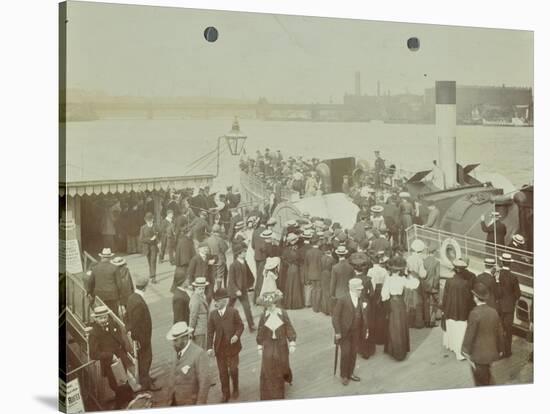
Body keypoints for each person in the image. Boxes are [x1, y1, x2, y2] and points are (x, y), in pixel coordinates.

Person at [88, 306, 134, 409]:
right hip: (109, 363)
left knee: (123, 379)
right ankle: (123, 401)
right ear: (95, 319)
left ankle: (127, 399)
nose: (103, 320)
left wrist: (124, 351)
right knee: (114, 384)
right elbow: (93, 354)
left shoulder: (113, 324)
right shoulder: (94, 333)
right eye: (100, 318)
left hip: (120, 358)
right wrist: (110, 355)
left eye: (105, 317)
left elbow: (120, 339)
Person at [256, 290, 297, 400]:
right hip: (268, 344)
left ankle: (279, 393)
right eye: (268, 306)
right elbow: (260, 331)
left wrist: (292, 341)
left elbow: (289, 327)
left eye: (272, 304)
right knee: (267, 366)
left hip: (281, 344)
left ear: (276, 303)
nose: (270, 307)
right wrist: (259, 345)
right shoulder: (264, 316)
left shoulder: (282, 313)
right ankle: (267, 393)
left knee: (281, 366)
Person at [461, 282, 505, 386]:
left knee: (480, 381)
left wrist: (465, 350)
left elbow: (470, 334)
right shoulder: (494, 311)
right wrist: (501, 349)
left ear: (476, 297)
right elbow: (500, 332)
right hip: (491, 352)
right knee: (487, 375)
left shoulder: (474, 313)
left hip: (479, 355)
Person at [207, 288, 244, 403]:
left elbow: (240, 326)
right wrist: (209, 347)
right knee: (222, 373)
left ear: (225, 301)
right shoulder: (213, 315)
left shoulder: (233, 312)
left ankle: (236, 388)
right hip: (220, 349)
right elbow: (210, 332)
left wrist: (236, 336)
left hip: (232, 347)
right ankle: (225, 393)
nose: (215, 303)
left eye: (217, 301)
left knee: (233, 369)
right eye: (214, 301)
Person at [381, 256, 419, 361]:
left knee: (393, 326)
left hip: (392, 303)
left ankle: (393, 350)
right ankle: (401, 351)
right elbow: (414, 285)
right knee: (401, 325)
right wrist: (408, 275)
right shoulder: (403, 279)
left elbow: (384, 295)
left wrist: (386, 303)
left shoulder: (388, 279)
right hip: (401, 303)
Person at [162, 321, 210, 405]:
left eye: (176, 340)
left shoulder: (199, 354)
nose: (173, 344)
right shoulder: (178, 351)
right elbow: (173, 377)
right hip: (175, 401)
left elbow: (204, 383)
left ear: (184, 338)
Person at [126, 274, 160, 392]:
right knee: (146, 359)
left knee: (143, 359)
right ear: (145, 287)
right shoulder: (139, 302)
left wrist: (129, 330)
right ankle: (146, 384)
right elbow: (136, 323)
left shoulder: (132, 297)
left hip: (140, 337)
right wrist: (137, 339)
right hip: (142, 338)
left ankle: (145, 378)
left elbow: (127, 317)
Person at [332, 278, 369, 385]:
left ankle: (350, 373)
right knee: (345, 353)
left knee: (353, 353)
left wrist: (366, 329)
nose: (361, 291)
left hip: (356, 331)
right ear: (352, 289)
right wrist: (338, 332)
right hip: (344, 332)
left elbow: (364, 316)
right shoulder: (343, 299)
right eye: (359, 290)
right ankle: (344, 375)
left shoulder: (361, 299)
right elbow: (335, 317)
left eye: (361, 290)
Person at [441, 259, 474, 361]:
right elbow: (468, 300)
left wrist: (444, 309)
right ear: (463, 270)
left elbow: (445, 297)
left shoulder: (449, 281)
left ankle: (451, 346)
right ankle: (459, 353)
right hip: (461, 311)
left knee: (451, 328)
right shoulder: (466, 284)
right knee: (460, 331)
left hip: (450, 310)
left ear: (454, 270)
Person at [227, 243, 257, 332]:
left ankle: (251, 326)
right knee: (230, 307)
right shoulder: (233, 265)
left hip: (243, 290)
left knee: (247, 307)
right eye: (244, 252)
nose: (245, 253)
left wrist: (250, 284)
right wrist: (236, 290)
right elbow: (231, 280)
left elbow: (249, 274)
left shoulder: (245, 262)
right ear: (238, 254)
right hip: (234, 290)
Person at [496, 253, 521, 357]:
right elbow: (518, 294)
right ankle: (507, 352)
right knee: (508, 330)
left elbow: (495, 291)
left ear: (501, 262)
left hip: (499, 306)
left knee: (499, 329)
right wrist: (511, 300)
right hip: (509, 308)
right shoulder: (514, 277)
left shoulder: (497, 275)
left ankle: (499, 350)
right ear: (510, 264)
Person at [87, 248, 122, 314]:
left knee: (102, 313)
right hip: (112, 295)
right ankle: (114, 323)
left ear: (101, 257)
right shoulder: (115, 267)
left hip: (99, 295)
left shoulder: (95, 268)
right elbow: (119, 285)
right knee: (113, 313)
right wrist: (120, 296)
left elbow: (90, 283)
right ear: (110, 257)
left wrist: (90, 293)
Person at [366, 252, 389, 346]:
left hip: (374, 293)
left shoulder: (370, 271)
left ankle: (374, 336)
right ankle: (381, 337)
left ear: (372, 261)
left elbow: (370, 283)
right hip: (382, 291)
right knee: (381, 315)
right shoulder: (384, 271)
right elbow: (386, 282)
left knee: (373, 314)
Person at [405, 239, 427, 329]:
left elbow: (405, 272)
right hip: (416, 283)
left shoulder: (408, 259)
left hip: (408, 282)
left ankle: (409, 322)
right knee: (417, 303)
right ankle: (418, 323)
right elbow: (423, 275)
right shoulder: (420, 260)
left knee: (408, 303)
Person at [281, 233, 304, 310]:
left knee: (289, 284)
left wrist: (288, 264)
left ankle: (289, 303)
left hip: (289, 268)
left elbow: (283, 259)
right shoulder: (296, 250)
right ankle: (296, 304)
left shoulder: (286, 250)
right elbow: (300, 259)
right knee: (296, 285)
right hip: (295, 268)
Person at [422, 244, 441, 327]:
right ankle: (432, 321)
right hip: (433, 286)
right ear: (434, 252)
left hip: (425, 285)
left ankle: (426, 321)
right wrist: (436, 286)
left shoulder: (424, 261)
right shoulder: (436, 262)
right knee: (434, 303)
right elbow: (437, 276)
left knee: (426, 303)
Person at [205, 224, 229, 290]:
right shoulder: (220, 239)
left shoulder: (208, 240)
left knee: (213, 276)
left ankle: (211, 291)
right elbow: (225, 248)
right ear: (219, 231)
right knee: (220, 276)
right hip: (220, 260)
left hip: (211, 260)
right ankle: (219, 291)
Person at [189, 277, 210, 349]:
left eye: (203, 288)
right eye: (199, 289)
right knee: (200, 349)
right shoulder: (196, 299)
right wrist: (191, 331)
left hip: (202, 328)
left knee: (201, 348)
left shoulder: (200, 296)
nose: (202, 291)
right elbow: (193, 316)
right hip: (199, 330)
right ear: (195, 288)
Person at [139, 212, 160, 284]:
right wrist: (150, 239)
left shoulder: (155, 226)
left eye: (151, 219)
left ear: (153, 219)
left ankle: (153, 277)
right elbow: (141, 239)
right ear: (145, 220)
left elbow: (159, 235)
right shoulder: (143, 228)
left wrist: (158, 240)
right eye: (148, 220)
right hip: (147, 248)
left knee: (153, 261)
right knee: (149, 262)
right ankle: (151, 274)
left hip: (154, 247)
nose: (150, 221)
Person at [304, 237, 323, 312]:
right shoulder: (320, 252)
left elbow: (306, 264)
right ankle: (316, 307)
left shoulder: (308, 252)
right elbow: (321, 264)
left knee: (313, 289)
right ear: (317, 242)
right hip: (319, 273)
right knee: (318, 290)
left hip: (310, 273)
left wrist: (306, 275)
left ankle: (312, 305)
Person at [320, 245, 336, 315]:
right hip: (329, 275)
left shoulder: (321, 258)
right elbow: (334, 268)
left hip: (323, 274)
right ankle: (330, 309)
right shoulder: (333, 259)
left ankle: (324, 309)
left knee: (324, 292)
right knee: (329, 292)